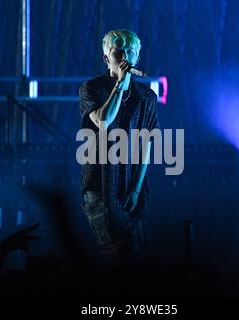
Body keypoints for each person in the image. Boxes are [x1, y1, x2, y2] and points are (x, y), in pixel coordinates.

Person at [79, 29, 159, 266]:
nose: (126, 55)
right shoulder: (91, 88)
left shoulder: (147, 96)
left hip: (132, 188)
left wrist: (135, 189)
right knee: (120, 250)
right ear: (107, 57)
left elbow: (147, 142)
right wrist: (121, 85)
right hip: (100, 186)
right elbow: (104, 121)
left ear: (137, 58)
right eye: (120, 50)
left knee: (138, 259)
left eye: (131, 51)